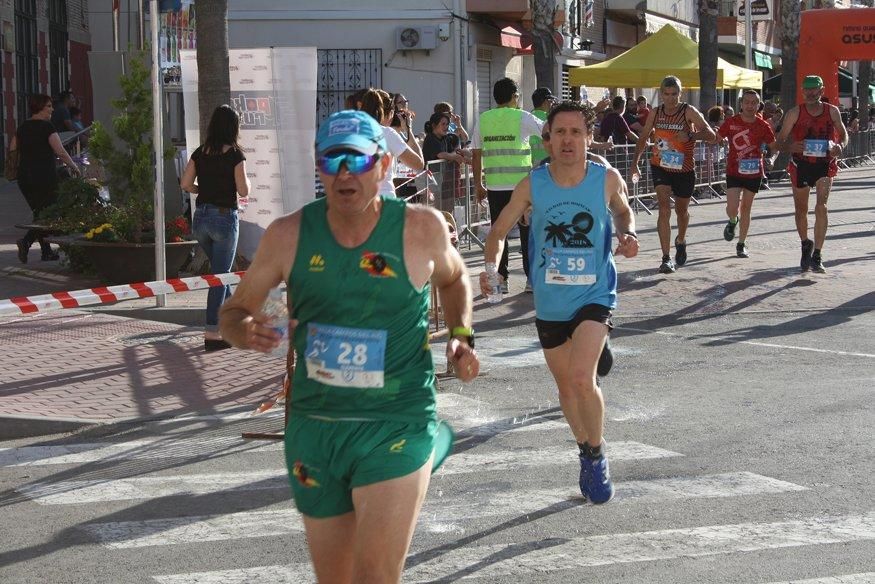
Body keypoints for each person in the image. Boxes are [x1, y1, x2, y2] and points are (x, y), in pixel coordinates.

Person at [218, 109, 480, 583]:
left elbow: (457, 277)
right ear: (318, 167)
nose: (343, 172)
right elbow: (234, 313)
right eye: (331, 159)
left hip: (396, 420)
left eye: (356, 160)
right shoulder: (288, 235)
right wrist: (244, 331)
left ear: (382, 165)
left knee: (375, 576)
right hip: (315, 428)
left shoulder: (420, 228)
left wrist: (461, 337)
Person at [479, 101, 638, 503]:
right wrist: (491, 269)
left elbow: (624, 212)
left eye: (576, 132)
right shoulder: (533, 184)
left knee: (583, 378)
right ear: (547, 140)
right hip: (550, 299)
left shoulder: (605, 178)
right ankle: (584, 450)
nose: (568, 140)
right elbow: (498, 232)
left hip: (595, 292)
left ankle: (598, 453)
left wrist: (628, 234)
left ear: (588, 138)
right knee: (567, 387)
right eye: (560, 133)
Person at [180, 105, 250, 352]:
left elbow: (186, 183)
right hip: (224, 218)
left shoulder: (200, 152)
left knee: (221, 274)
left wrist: (202, 191)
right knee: (219, 278)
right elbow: (243, 191)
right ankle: (212, 332)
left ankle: (234, 324)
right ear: (233, 127)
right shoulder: (235, 155)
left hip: (200, 219)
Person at [631, 76, 715, 274]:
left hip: (684, 169)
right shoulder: (656, 113)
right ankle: (666, 258)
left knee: (681, 212)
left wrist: (692, 135)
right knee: (663, 209)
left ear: (680, 93)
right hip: (660, 165)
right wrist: (634, 164)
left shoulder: (688, 111)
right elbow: (643, 138)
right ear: (661, 94)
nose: (670, 99)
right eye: (666, 94)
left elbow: (711, 135)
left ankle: (681, 239)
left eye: (674, 94)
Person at [471, 77, 544, 293]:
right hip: (521, 188)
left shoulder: (484, 119)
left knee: (498, 234)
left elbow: (476, 154)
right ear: (514, 97)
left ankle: (500, 280)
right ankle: (531, 279)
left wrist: (478, 184)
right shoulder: (522, 117)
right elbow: (548, 132)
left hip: (494, 187)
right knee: (528, 233)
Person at [775, 75, 848, 273]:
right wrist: (791, 146)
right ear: (802, 91)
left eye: (814, 90)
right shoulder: (794, 113)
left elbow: (843, 134)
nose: (810, 93)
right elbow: (778, 142)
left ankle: (817, 254)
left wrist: (840, 146)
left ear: (822, 91)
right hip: (801, 165)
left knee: (821, 207)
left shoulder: (832, 111)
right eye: (807, 90)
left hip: (825, 164)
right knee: (801, 210)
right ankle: (805, 243)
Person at [11, 94, 81, 263]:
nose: (52, 109)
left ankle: (46, 251)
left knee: (39, 212)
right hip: (44, 177)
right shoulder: (47, 127)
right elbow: (60, 152)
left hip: (25, 177)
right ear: (41, 108)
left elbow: (13, 148)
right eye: (49, 106)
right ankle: (26, 242)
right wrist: (74, 166)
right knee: (48, 212)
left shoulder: (23, 127)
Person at [713, 89, 778, 258]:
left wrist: (773, 159)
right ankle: (733, 221)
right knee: (732, 207)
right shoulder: (731, 122)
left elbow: (774, 146)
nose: (750, 106)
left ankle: (741, 244)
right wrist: (709, 134)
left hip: (754, 171)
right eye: (747, 102)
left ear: (758, 105)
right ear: (741, 104)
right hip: (734, 170)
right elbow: (716, 138)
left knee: (746, 208)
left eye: (753, 103)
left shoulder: (763, 125)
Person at [361, 88, 424, 197]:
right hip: (384, 201)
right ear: (389, 113)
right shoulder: (387, 133)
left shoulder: (352, 132)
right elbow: (418, 164)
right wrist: (409, 130)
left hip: (357, 202)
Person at [422, 111, 465, 211]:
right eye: (443, 124)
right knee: (435, 209)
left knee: (446, 209)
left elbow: (463, 139)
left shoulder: (445, 138)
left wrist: (458, 125)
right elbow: (441, 154)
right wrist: (455, 157)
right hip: (432, 181)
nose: (446, 127)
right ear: (434, 125)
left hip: (443, 180)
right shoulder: (430, 138)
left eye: (447, 124)